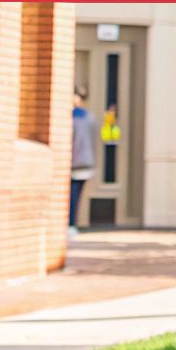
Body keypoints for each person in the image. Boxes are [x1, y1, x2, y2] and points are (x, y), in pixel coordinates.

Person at [69, 86, 99, 238]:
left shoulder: (78, 117)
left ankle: (71, 224)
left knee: (73, 195)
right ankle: (72, 224)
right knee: (74, 195)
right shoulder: (89, 117)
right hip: (83, 161)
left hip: (77, 162)